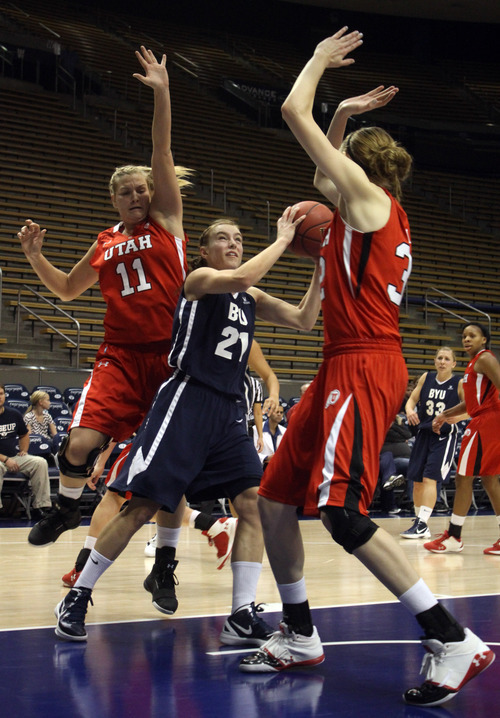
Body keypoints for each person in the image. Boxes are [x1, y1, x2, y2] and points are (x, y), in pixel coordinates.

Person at [239, 28, 494, 708]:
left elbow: (294, 116)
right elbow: (321, 170)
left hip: (364, 365)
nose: (330, 171)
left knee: (345, 515)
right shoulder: (378, 207)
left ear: (362, 168)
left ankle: (451, 637)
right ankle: (299, 634)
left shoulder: (368, 203)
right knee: (272, 501)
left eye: (344, 155)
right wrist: (346, 115)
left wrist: (318, 61)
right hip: (338, 365)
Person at [53, 206, 322, 646]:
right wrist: (284, 240)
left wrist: (320, 267)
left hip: (229, 409)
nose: (234, 244)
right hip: (186, 398)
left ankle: (240, 613)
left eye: (238, 238)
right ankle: (79, 594)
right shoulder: (197, 282)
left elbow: (304, 319)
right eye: (223, 238)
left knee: (252, 503)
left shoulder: (250, 298)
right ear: (202, 251)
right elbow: (236, 279)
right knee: (141, 505)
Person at [18, 46, 192, 548]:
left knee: (165, 466)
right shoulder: (104, 240)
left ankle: (166, 559)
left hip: (170, 356)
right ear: (114, 199)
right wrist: (34, 256)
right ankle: (66, 512)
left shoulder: (167, 222)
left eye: (142, 189)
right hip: (119, 356)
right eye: (127, 193)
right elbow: (68, 291)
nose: (137, 196)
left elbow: (162, 150)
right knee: (79, 442)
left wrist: (161, 91)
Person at [425, 323, 500, 555]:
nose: (467, 339)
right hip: (485, 419)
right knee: (488, 479)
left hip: (488, 422)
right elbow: (471, 403)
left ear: (484, 340)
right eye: (465, 336)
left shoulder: (485, 358)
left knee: (463, 477)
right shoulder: (473, 364)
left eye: (473, 335)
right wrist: (446, 415)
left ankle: (454, 536)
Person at [400, 347, 463, 539]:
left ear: (453, 363)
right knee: (417, 480)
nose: (442, 362)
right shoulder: (426, 377)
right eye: (439, 358)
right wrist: (410, 410)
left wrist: (458, 417)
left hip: (444, 437)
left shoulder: (459, 382)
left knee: (429, 479)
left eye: (447, 359)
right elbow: (411, 400)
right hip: (423, 433)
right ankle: (420, 522)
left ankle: (422, 523)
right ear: (435, 361)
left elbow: (472, 408)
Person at [0, 384, 52, 520]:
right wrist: (5, 459)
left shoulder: (13, 414)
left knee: (40, 463)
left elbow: (24, 435)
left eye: (1, 394)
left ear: (4, 395)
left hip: (13, 457)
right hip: (2, 460)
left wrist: (24, 450)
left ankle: (40, 507)